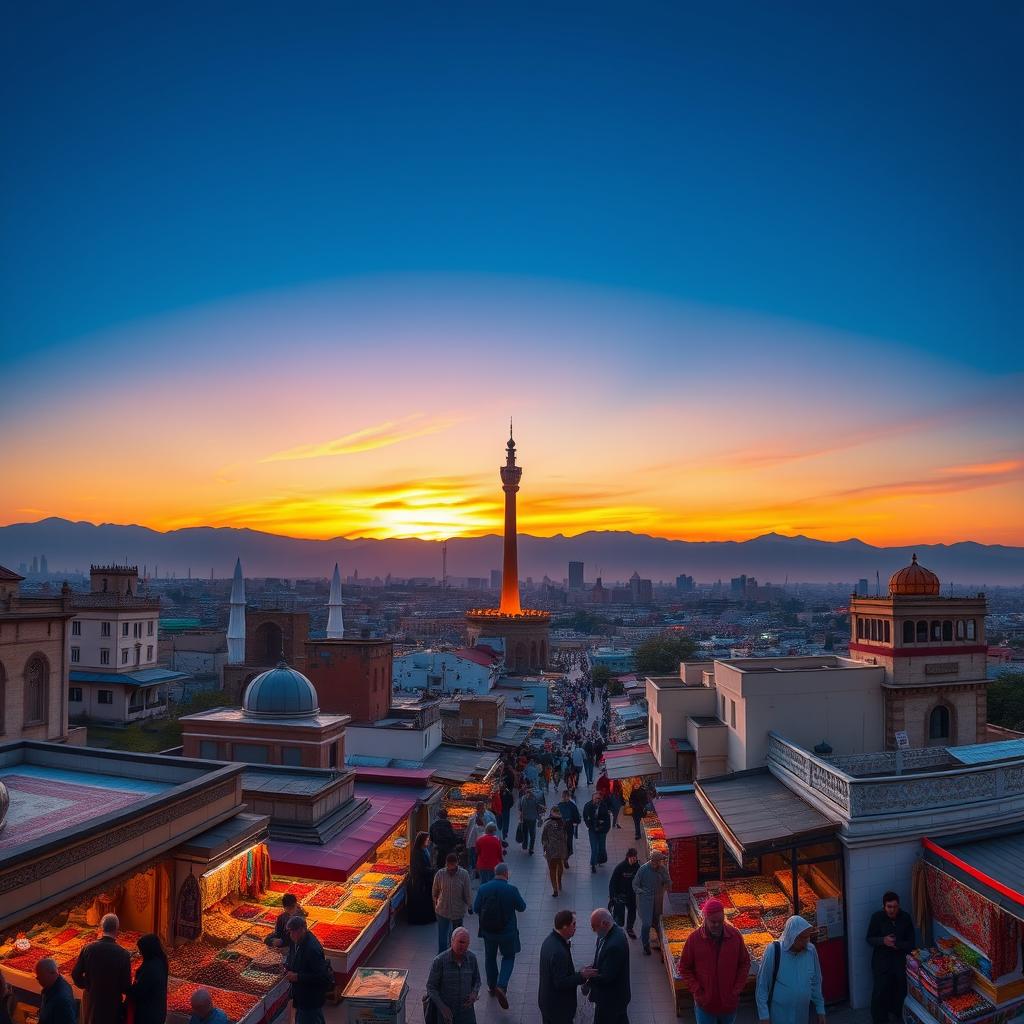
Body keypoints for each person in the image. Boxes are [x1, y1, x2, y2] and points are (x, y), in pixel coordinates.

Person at [679, 898, 751, 1024]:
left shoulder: (735, 936)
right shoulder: (694, 939)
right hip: (705, 1006)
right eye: (713, 922)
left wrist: (736, 990)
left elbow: (744, 963)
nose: (717, 925)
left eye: (720, 921)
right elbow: (684, 967)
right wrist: (698, 991)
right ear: (705, 919)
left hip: (729, 1004)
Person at [473, 863, 527, 1010]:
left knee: (490, 957)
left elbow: (475, 907)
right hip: (507, 932)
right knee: (508, 957)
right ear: (506, 874)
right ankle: (501, 986)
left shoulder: (484, 888)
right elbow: (522, 907)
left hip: (488, 932)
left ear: (495, 873)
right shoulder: (511, 889)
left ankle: (491, 986)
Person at [755, 916, 825, 1024]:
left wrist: (820, 1010)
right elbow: (762, 984)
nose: (806, 942)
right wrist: (764, 1015)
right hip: (778, 1015)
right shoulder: (774, 951)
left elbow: (816, 981)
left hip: (802, 1015)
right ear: (792, 936)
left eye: (807, 937)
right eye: (802, 938)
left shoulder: (810, 951)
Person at [71, 913, 132, 1024]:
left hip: (91, 1001)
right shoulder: (123, 954)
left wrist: (88, 985)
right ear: (117, 929)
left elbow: (75, 975)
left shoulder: (88, 948)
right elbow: (125, 986)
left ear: (101, 928)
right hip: (112, 1004)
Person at [538, 911, 596, 1024]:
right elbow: (560, 982)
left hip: (547, 1003)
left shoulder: (549, 941)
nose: (576, 927)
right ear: (565, 927)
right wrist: (582, 976)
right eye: (573, 924)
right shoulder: (558, 951)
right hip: (559, 1009)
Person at [866, 891, 915, 1024]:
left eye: (894, 907)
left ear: (898, 906)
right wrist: (883, 941)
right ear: (884, 906)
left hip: (899, 962)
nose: (892, 910)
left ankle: (897, 1014)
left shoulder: (905, 918)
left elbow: (911, 942)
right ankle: (879, 1019)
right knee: (880, 991)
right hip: (881, 963)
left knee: (899, 990)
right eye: (889, 907)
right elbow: (869, 939)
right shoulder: (877, 918)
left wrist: (897, 944)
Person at [425, 927, 481, 1024]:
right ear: (452, 941)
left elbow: (477, 980)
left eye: (465, 943)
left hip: (466, 1012)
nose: (462, 946)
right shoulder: (440, 961)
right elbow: (430, 987)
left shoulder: (472, 959)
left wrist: (474, 993)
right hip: (446, 1013)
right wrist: (443, 1008)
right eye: (460, 942)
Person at [284, 915, 334, 1024]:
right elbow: (293, 957)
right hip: (302, 997)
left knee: (309, 1018)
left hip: (310, 998)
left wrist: (298, 977)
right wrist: (287, 966)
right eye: (290, 932)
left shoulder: (312, 949)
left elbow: (323, 977)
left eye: (293, 932)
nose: (291, 935)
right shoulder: (297, 940)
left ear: (302, 929)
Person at [585, 908, 631, 1024]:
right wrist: (593, 967)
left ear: (605, 924)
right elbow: (601, 957)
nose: (593, 930)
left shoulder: (615, 945)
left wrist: (587, 977)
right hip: (611, 998)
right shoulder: (609, 933)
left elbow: (607, 976)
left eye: (595, 926)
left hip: (612, 1000)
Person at [632, 849, 671, 956]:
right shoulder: (643, 869)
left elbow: (668, 881)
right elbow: (635, 884)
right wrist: (641, 892)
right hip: (645, 901)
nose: (659, 863)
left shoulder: (662, 869)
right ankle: (645, 944)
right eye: (658, 861)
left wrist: (667, 884)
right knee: (647, 923)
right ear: (653, 861)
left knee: (658, 923)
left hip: (658, 900)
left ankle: (661, 945)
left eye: (660, 861)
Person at [433, 852, 473, 954]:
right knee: (442, 937)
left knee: (457, 937)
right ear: (446, 863)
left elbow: (467, 891)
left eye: (453, 866)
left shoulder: (464, 874)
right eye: (448, 865)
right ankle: (441, 957)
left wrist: (469, 905)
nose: (450, 868)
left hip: (458, 911)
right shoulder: (440, 874)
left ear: (457, 863)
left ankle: (455, 955)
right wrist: (435, 903)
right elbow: (435, 890)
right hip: (442, 910)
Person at [129, 934, 168, 1024]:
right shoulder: (161, 961)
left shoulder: (150, 968)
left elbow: (139, 991)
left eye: (141, 951)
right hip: (158, 1011)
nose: (140, 953)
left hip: (147, 1014)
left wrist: (126, 988)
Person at [608, 849, 640, 938]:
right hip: (620, 895)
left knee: (632, 912)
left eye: (635, 858)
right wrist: (612, 897)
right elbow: (612, 882)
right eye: (632, 858)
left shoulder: (637, 867)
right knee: (619, 916)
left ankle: (629, 928)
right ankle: (618, 930)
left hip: (632, 895)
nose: (634, 860)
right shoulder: (620, 867)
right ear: (628, 857)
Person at [408, 830, 437, 925]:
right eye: (427, 839)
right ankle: (422, 919)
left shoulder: (424, 850)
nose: (428, 841)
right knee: (422, 902)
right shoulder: (417, 852)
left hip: (425, 880)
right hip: (420, 882)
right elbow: (420, 868)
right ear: (422, 841)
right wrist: (432, 870)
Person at [540, 806, 569, 897]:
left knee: (554, 870)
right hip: (558, 851)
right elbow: (566, 837)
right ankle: (557, 885)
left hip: (553, 851)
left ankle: (556, 887)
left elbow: (544, 838)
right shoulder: (562, 823)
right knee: (558, 868)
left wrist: (545, 847)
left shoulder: (549, 824)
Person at [583, 793, 611, 874]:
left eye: (599, 798)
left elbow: (607, 818)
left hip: (602, 830)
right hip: (593, 830)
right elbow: (586, 817)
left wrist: (605, 828)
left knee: (602, 847)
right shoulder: (588, 806)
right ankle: (593, 864)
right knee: (594, 848)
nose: (597, 800)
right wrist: (590, 825)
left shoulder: (603, 806)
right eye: (596, 798)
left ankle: (600, 859)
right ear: (592, 799)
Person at [465, 807, 489, 876]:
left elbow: (468, 829)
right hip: (478, 843)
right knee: (477, 856)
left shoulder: (472, 819)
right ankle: (477, 870)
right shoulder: (484, 821)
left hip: (474, 843)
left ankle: (475, 869)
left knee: (473, 856)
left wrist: (465, 836)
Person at [519, 787, 542, 855]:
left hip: (526, 819)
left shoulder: (522, 799)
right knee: (532, 834)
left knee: (526, 833)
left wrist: (520, 818)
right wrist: (539, 818)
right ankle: (530, 848)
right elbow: (538, 809)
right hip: (531, 819)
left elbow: (520, 809)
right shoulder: (535, 799)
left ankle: (526, 846)